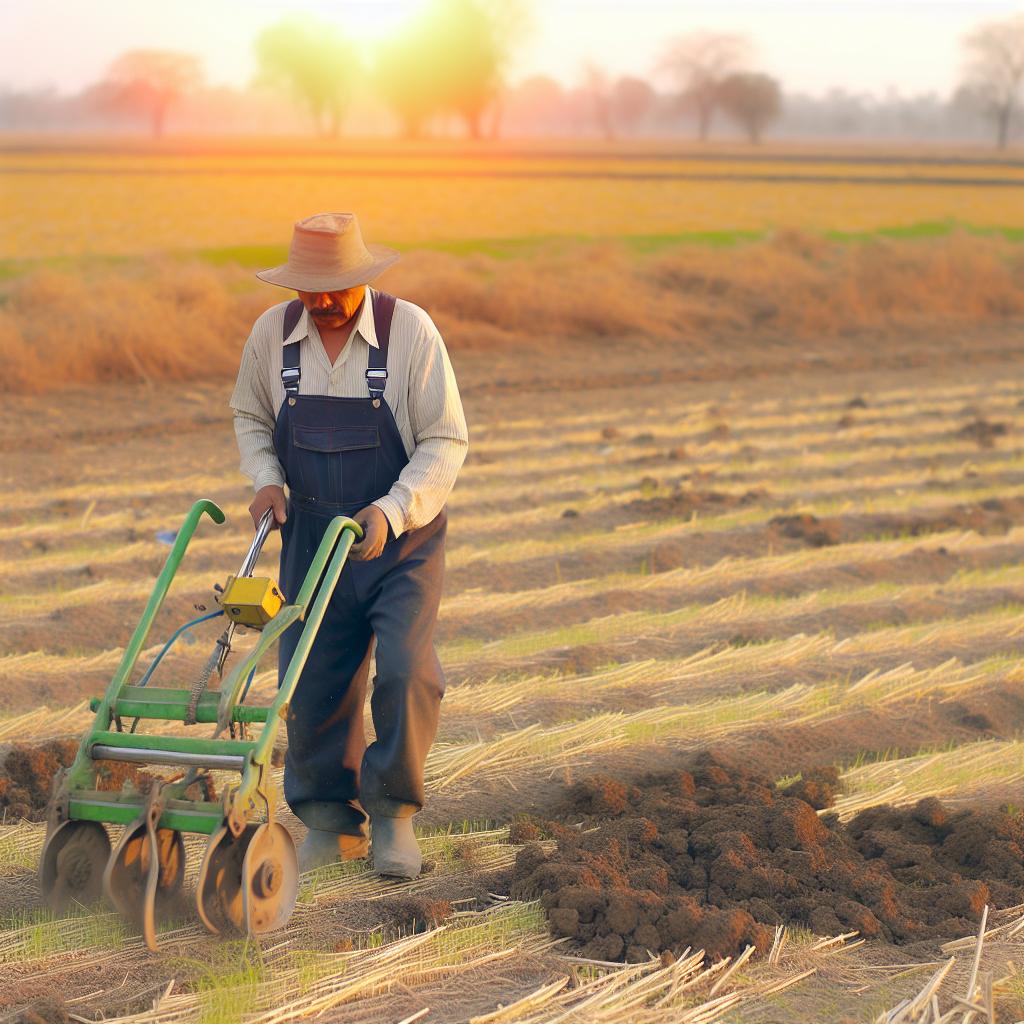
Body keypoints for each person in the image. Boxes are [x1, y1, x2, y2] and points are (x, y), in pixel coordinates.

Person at [229, 212, 468, 878]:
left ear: (362, 277)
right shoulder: (272, 338)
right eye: (308, 288)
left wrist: (392, 512)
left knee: (405, 670)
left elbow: (446, 440)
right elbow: (250, 415)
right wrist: (268, 479)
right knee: (311, 684)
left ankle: (392, 816)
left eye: (334, 286)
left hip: (400, 542)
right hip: (309, 537)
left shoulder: (409, 333)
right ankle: (331, 824)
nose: (322, 301)